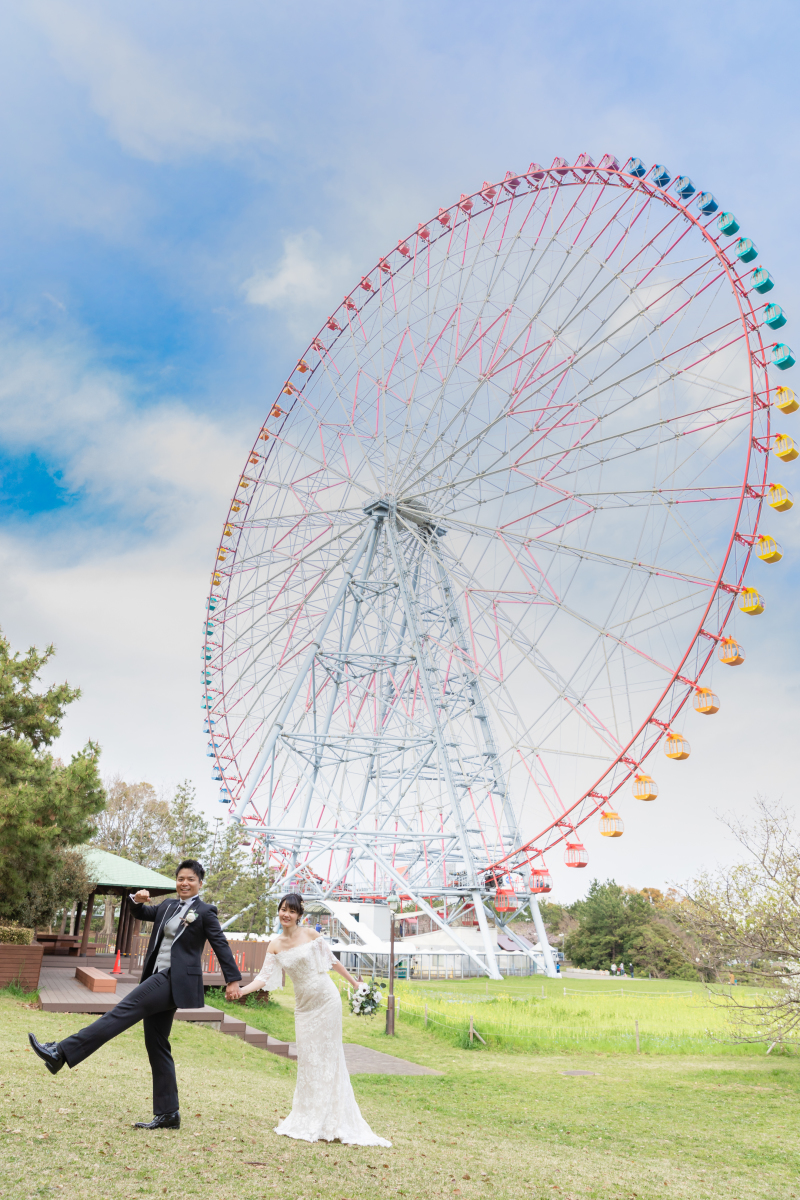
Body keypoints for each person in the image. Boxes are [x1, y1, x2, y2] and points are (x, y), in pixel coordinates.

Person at [28, 860, 242, 1130]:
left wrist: (232, 980)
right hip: (157, 975)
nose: (184, 883)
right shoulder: (167, 906)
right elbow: (141, 913)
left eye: (190, 879)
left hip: (173, 980)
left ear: (200, 883)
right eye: (180, 879)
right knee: (157, 1044)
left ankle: (61, 1052)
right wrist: (135, 900)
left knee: (121, 1012)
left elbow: (220, 944)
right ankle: (168, 1114)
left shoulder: (205, 912)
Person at [237, 892, 391, 1147]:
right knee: (309, 1058)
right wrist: (242, 991)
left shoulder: (310, 935)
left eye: (292, 911)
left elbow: (332, 962)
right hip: (304, 1008)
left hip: (327, 1001)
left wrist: (355, 983)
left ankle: (333, 1119)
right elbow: (263, 978)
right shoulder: (274, 945)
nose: (286, 914)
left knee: (330, 1057)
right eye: (283, 909)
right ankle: (309, 1115)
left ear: (299, 915)